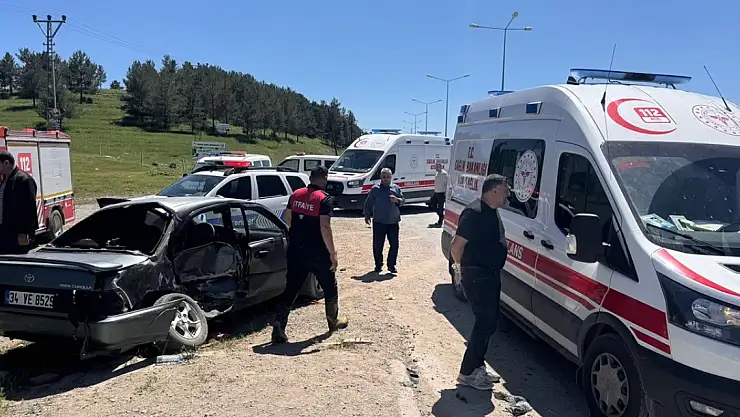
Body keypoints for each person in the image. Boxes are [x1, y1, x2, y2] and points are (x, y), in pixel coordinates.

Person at [271, 165, 348, 343]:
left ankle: (279, 327)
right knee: (330, 286)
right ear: (324, 179)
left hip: (296, 250)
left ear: (310, 178)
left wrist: (299, 231)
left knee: (291, 288)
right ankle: (333, 322)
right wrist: (333, 253)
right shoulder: (323, 199)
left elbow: (287, 217)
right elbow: (325, 227)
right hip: (317, 252)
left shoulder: (296, 194)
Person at [450, 174, 510, 390]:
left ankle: (477, 366)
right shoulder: (474, 213)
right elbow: (456, 247)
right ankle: (467, 372)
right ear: (494, 191)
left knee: (490, 322)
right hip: (477, 275)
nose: (508, 194)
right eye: (505, 190)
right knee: (484, 323)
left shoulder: (492, 210)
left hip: (490, 274)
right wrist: (460, 270)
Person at [363, 168, 404, 273]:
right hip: (379, 221)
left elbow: (403, 200)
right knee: (378, 245)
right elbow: (369, 202)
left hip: (393, 221)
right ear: (380, 177)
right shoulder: (375, 189)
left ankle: (391, 265)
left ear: (391, 177)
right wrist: (367, 214)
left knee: (394, 245)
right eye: (384, 177)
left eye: (388, 177)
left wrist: (397, 200)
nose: (386, 179)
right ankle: (378, 265)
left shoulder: (396, 188)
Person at [0, 151, 38, 255]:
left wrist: (24, 233)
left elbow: (29, 209)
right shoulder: (5, 180)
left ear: (6, 163)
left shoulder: (24, 180)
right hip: (5, 231)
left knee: (17, 260)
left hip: (17, 234)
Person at [428, 162, 448, 227]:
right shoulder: (436, 173)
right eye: (435, 167)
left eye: (437, 167)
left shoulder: (444, 174)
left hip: (441, 193)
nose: (436, 168)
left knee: (440, 207)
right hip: (436, 192)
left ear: (441, 167)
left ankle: (440, 221)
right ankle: (441, 216)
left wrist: (446, 193)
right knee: (432, 205)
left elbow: (446, 184)